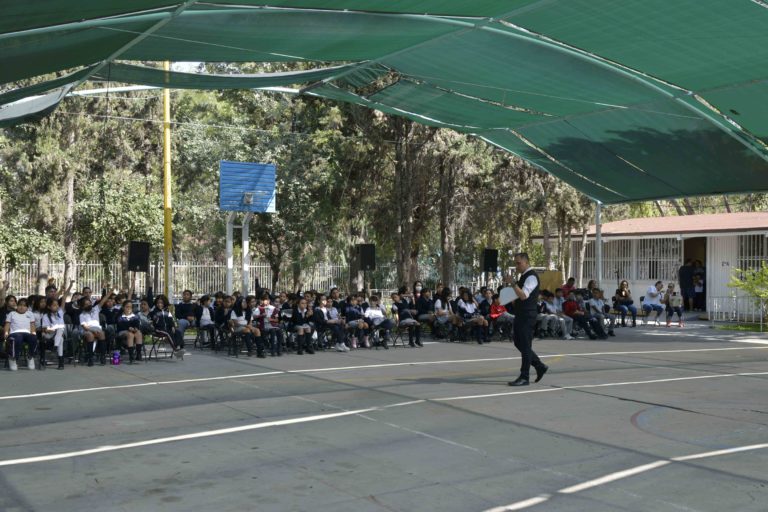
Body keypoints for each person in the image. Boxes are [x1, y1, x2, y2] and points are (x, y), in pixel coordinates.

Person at [506, 253, 548, 386]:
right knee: (519, 343)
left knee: (525, 345)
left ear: (526, 262)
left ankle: (525, 376)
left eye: (519, 263)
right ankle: (539, 365)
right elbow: (519, 295)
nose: (517, 266)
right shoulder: (523, 277)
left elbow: (524, 295)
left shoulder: (531, 277)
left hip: (527, 315)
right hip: (521, 314)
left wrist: (513, 284)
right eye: (516, 263)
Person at [4, 298, 38, 371]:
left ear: (27, 307)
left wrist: (33, 333)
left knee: (34, 338)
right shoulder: (12, 314)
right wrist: (6, 332)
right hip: (14, 334)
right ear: (17, 305)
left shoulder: (30, 314)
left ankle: (30, 357)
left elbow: (32, 325)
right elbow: (7, 325)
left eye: (24, 306)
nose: (22, 307)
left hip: (27, 333)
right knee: (18, 337)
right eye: (20, 305)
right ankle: (13, 358)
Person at [41, 297, 67, 369]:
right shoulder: (46, 316)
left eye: (57, 305)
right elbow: (44, 329)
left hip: (60, 334)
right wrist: (53, 329)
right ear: (49, 307)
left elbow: (63, 300)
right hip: (50, 334)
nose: (57, 306)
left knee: (60, 333)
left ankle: (55, 347)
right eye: (54, 305)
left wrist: (68, 287)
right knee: (60, 334)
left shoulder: (60, 312)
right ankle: (61, 363)